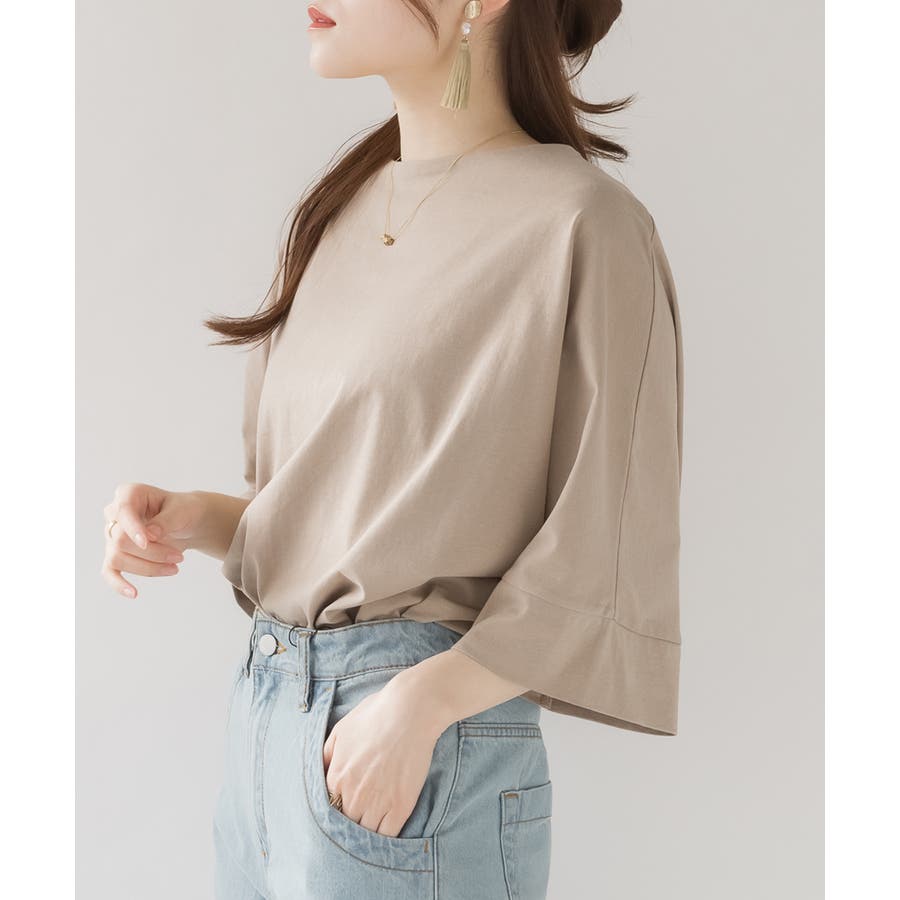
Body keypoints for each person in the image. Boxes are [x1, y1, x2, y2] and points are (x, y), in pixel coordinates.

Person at [101, 0, 684, 896]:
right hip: (265, 726)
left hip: (411, 750)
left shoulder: (583, 224)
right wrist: (194, 520)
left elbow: (609, 537)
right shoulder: (338, 209)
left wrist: (424, 703)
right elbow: (350, 509)